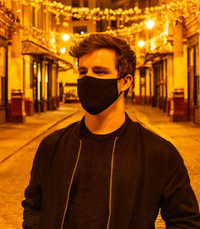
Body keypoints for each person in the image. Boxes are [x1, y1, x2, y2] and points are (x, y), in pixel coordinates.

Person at [22, 34, 200, 229]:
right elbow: (33, 207)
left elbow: (185, 221)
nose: (88, 79)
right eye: (83, 71)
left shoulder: (158, 153)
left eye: (99, 72)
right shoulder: (52, 146)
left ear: (125, 81)